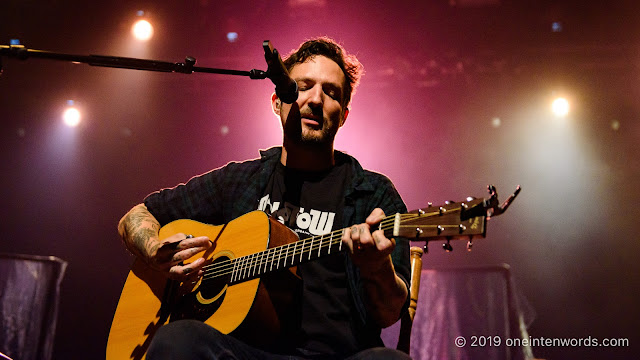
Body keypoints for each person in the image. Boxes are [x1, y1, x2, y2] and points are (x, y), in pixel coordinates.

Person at [117, 37, 412, 360]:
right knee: (178, 339)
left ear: (343, 115)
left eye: (331, 93)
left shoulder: (373, 193)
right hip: (241, 352)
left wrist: (376, 267)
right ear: (276, 101)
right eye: (303, 86)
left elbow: (388, 314)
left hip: (338, 355)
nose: (315, 100)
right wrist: (153, 249)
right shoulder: (241, 180)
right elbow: (138, 214)